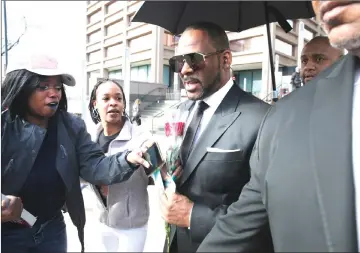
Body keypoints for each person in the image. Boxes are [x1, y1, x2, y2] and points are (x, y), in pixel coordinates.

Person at [197, 1, 360, 252]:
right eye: (304, 59)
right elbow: (242, 225)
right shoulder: (281, 120)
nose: (308, 66)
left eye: (319, 58)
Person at [1, 54, 151, 253]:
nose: (54, 93)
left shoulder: (72, 127)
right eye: (43, 86)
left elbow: (95, 166)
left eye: (57, 87)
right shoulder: (4, 126)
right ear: (22, 88)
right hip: (9, 234)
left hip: (51, 230)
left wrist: (127, 159)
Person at [160, 22, 270, 253]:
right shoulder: (182, 111)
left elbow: (264, 214)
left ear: (225, 59)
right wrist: (168, 173)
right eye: (178, 62)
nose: (184, 70)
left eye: (194, 59)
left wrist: (192, 216)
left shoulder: (263, 118)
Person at [85, 79, 150, 252]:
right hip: (103, 221)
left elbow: (160, 171)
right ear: (95, 104)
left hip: (132, 226)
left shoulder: (140, 138)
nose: (113, 103)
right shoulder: (89, 139)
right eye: (106, 98)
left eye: (118, 98)